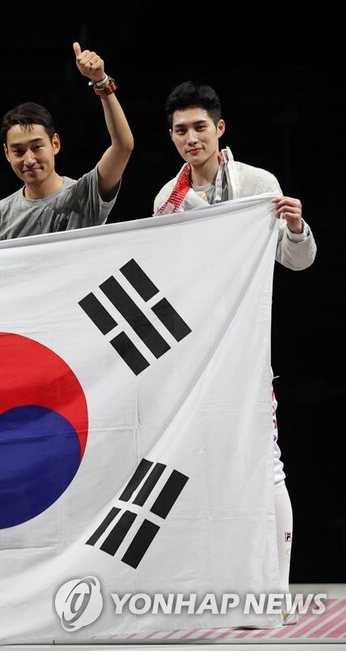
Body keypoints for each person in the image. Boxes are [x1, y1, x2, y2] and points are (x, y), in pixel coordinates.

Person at [153, 81, 317, 623]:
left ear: (219, 129)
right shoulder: (166, 199)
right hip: (196, 352)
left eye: (200, 127)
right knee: (204, 467)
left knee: (266, 467)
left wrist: (294, 226)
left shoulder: (256, 183)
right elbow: (168, 275)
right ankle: (223, 586)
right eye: (180, 130)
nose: (190, 138)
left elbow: (296, 261)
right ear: (172, 136)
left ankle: (278, 592)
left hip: (248, 347)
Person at [0, 41, 134, 253]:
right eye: (18, 151)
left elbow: (123, 146)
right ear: (7, 153)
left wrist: (101, 81)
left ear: (55, 143)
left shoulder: (84, 195)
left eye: (37, 147)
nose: (29, 159)